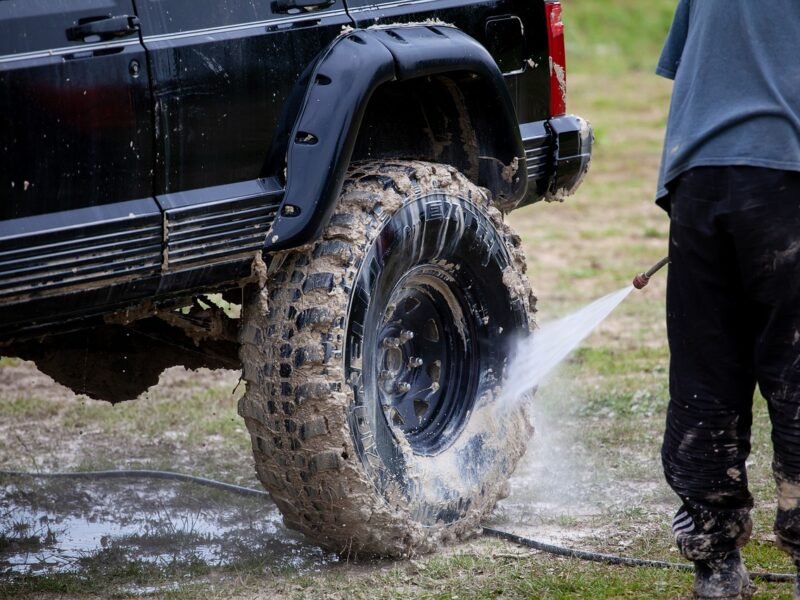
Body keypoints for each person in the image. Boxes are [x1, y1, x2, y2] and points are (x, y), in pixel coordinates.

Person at [655, 1, 800, 598]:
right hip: (787, 174)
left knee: (705, 374)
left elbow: (693, 65)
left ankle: (716, 567)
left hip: (699, 180)